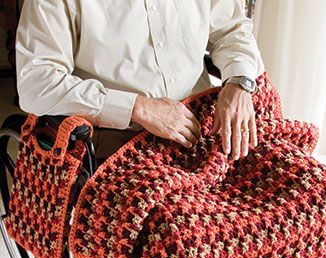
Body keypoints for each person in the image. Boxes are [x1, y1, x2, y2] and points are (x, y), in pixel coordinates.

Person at [15, 0, 265, 161]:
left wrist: (239, 83)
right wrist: (138, 108)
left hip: (207, 127)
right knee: (183, 236)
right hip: (122, 140)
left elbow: (231, 30)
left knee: (297, 192)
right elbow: (36, 82)